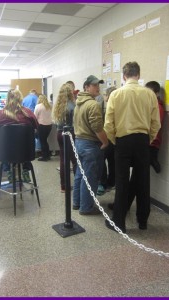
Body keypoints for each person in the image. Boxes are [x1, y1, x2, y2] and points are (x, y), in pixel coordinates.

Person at [104, 62, 160, 232]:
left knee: (121, 182)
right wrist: (148, 139)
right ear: (139, 74)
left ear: (124, 76)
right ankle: (142, 220)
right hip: (143, 141)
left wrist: (115, 141)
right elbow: (155, 123)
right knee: (143, 181)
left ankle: (119, 222)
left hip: (123, 140)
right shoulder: (150, 94)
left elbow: (108, 124)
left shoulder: (116, 94)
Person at [125, 81, 165, 212]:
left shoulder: (157, 107)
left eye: (150, 93)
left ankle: (126, 208)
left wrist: (148, 143)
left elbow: (154, 127)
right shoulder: (151, 105)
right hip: (146, 145)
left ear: (157, 93)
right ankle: (127, 208)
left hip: (150, 145)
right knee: (137, 180)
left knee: (138, 181)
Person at [73, 75, 109, 215]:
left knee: (79, 175)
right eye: (94, 85)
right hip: (89, 144)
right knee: (90, 177)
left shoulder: (79, 102)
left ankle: (77, 202)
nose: (97, 88)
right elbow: (97, 128)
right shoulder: (93, 104)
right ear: (86, 87)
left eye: (98, 85)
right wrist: (105, 142)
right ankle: (86, 207)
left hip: (79, 142)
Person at [0, 89, 38, 183]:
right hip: (26, 153)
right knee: (25, 145)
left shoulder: (0, 114)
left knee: (3, 144)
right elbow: (35, 130)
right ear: (21, 99)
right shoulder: (29, 113)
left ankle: (9, 171)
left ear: (7, 99)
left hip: (6, 153)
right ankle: (25, 170)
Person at [53, 83, 77, 193]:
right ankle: (78, 184)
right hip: (69, 134)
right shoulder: (72, 105)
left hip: (59, 133)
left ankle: (63, 186)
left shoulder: (59, 105)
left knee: (63, 160)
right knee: (75, 160)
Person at [97, 86, 116, 195]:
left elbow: (105, 125)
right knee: (112, 161)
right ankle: (111, 182)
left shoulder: (107, 106)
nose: (104, 97)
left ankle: (103, 183)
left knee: (102, 160)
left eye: (105, 95)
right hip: (115, 138)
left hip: (107, 137)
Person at [34, 94, 53, 161]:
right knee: (45, 141)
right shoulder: (49, 106)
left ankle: (44, 157)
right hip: (49, 126)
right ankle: (48, 155)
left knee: (42, 141)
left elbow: (35, 117)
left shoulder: (38, 106)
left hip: (41, 126)